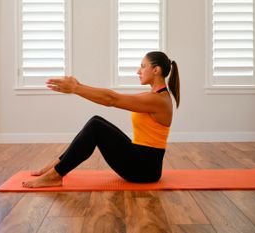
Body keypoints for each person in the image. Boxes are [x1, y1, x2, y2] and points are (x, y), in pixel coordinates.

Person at [22, 51, 180, 188]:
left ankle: (55, 175)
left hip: (143, 170)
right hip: (142, 162)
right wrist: (78, 85)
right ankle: (56, 167)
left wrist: (76, 89)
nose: (138, 71)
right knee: (96, 121)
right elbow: (112, 97)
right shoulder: (154, 96)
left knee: (96, 127)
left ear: (156, 70)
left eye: (142, 66)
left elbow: (111, 99)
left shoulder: (158, 101)